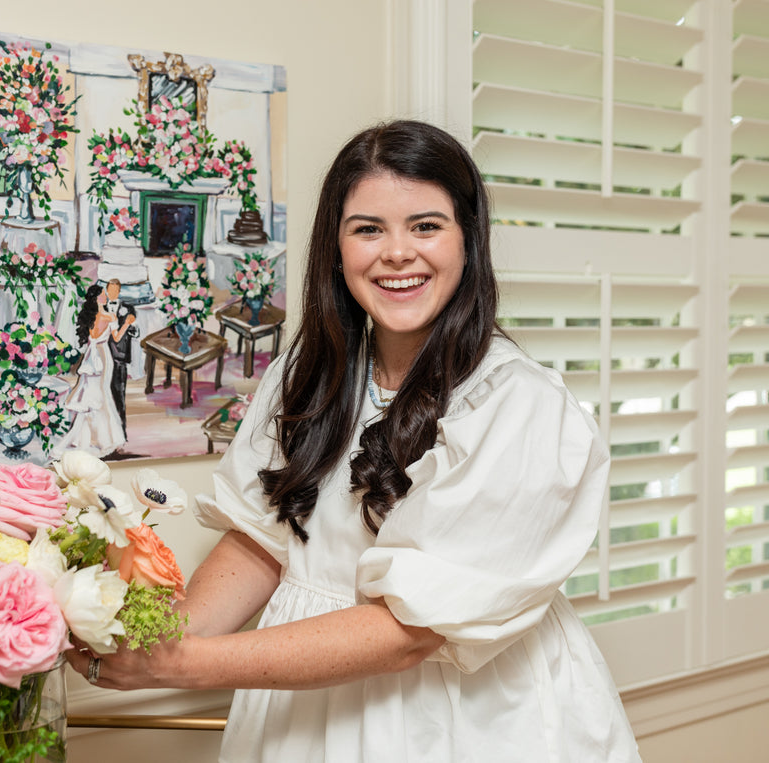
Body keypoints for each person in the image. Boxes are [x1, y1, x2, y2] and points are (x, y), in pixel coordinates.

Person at [67, 120, 642, 762]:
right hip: (304, 706)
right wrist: (158, 637)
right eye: (368, 229)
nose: (397, 253)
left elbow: (409, 634)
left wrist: (181, 665)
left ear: (468, 241)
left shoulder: (519, 405)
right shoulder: (306, 372)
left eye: (426, 226)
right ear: (336, 250)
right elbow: (263, 537)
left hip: (460, 719)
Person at [58, 283, 127, 457]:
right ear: (98, 298)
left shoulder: (89, 317)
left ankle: (87, 437)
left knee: (90, 394)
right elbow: (117, 338)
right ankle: (106, 439)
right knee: (102, 395)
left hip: (90, 357)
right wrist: (127, 323)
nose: (105, 296)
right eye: (103, 294)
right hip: (103, 355)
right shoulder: (110, 316)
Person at [105, 278, 137, 440]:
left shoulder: (128, 309)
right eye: (110, 290)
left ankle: (121, 431)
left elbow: (134, 332)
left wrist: (130, 326)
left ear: (119, 292)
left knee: (119, 395)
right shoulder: (100, 308)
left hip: (119, 358)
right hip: (103, 357)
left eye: (115, 291)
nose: (112, 293)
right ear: (106, 291)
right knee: (105, 396)